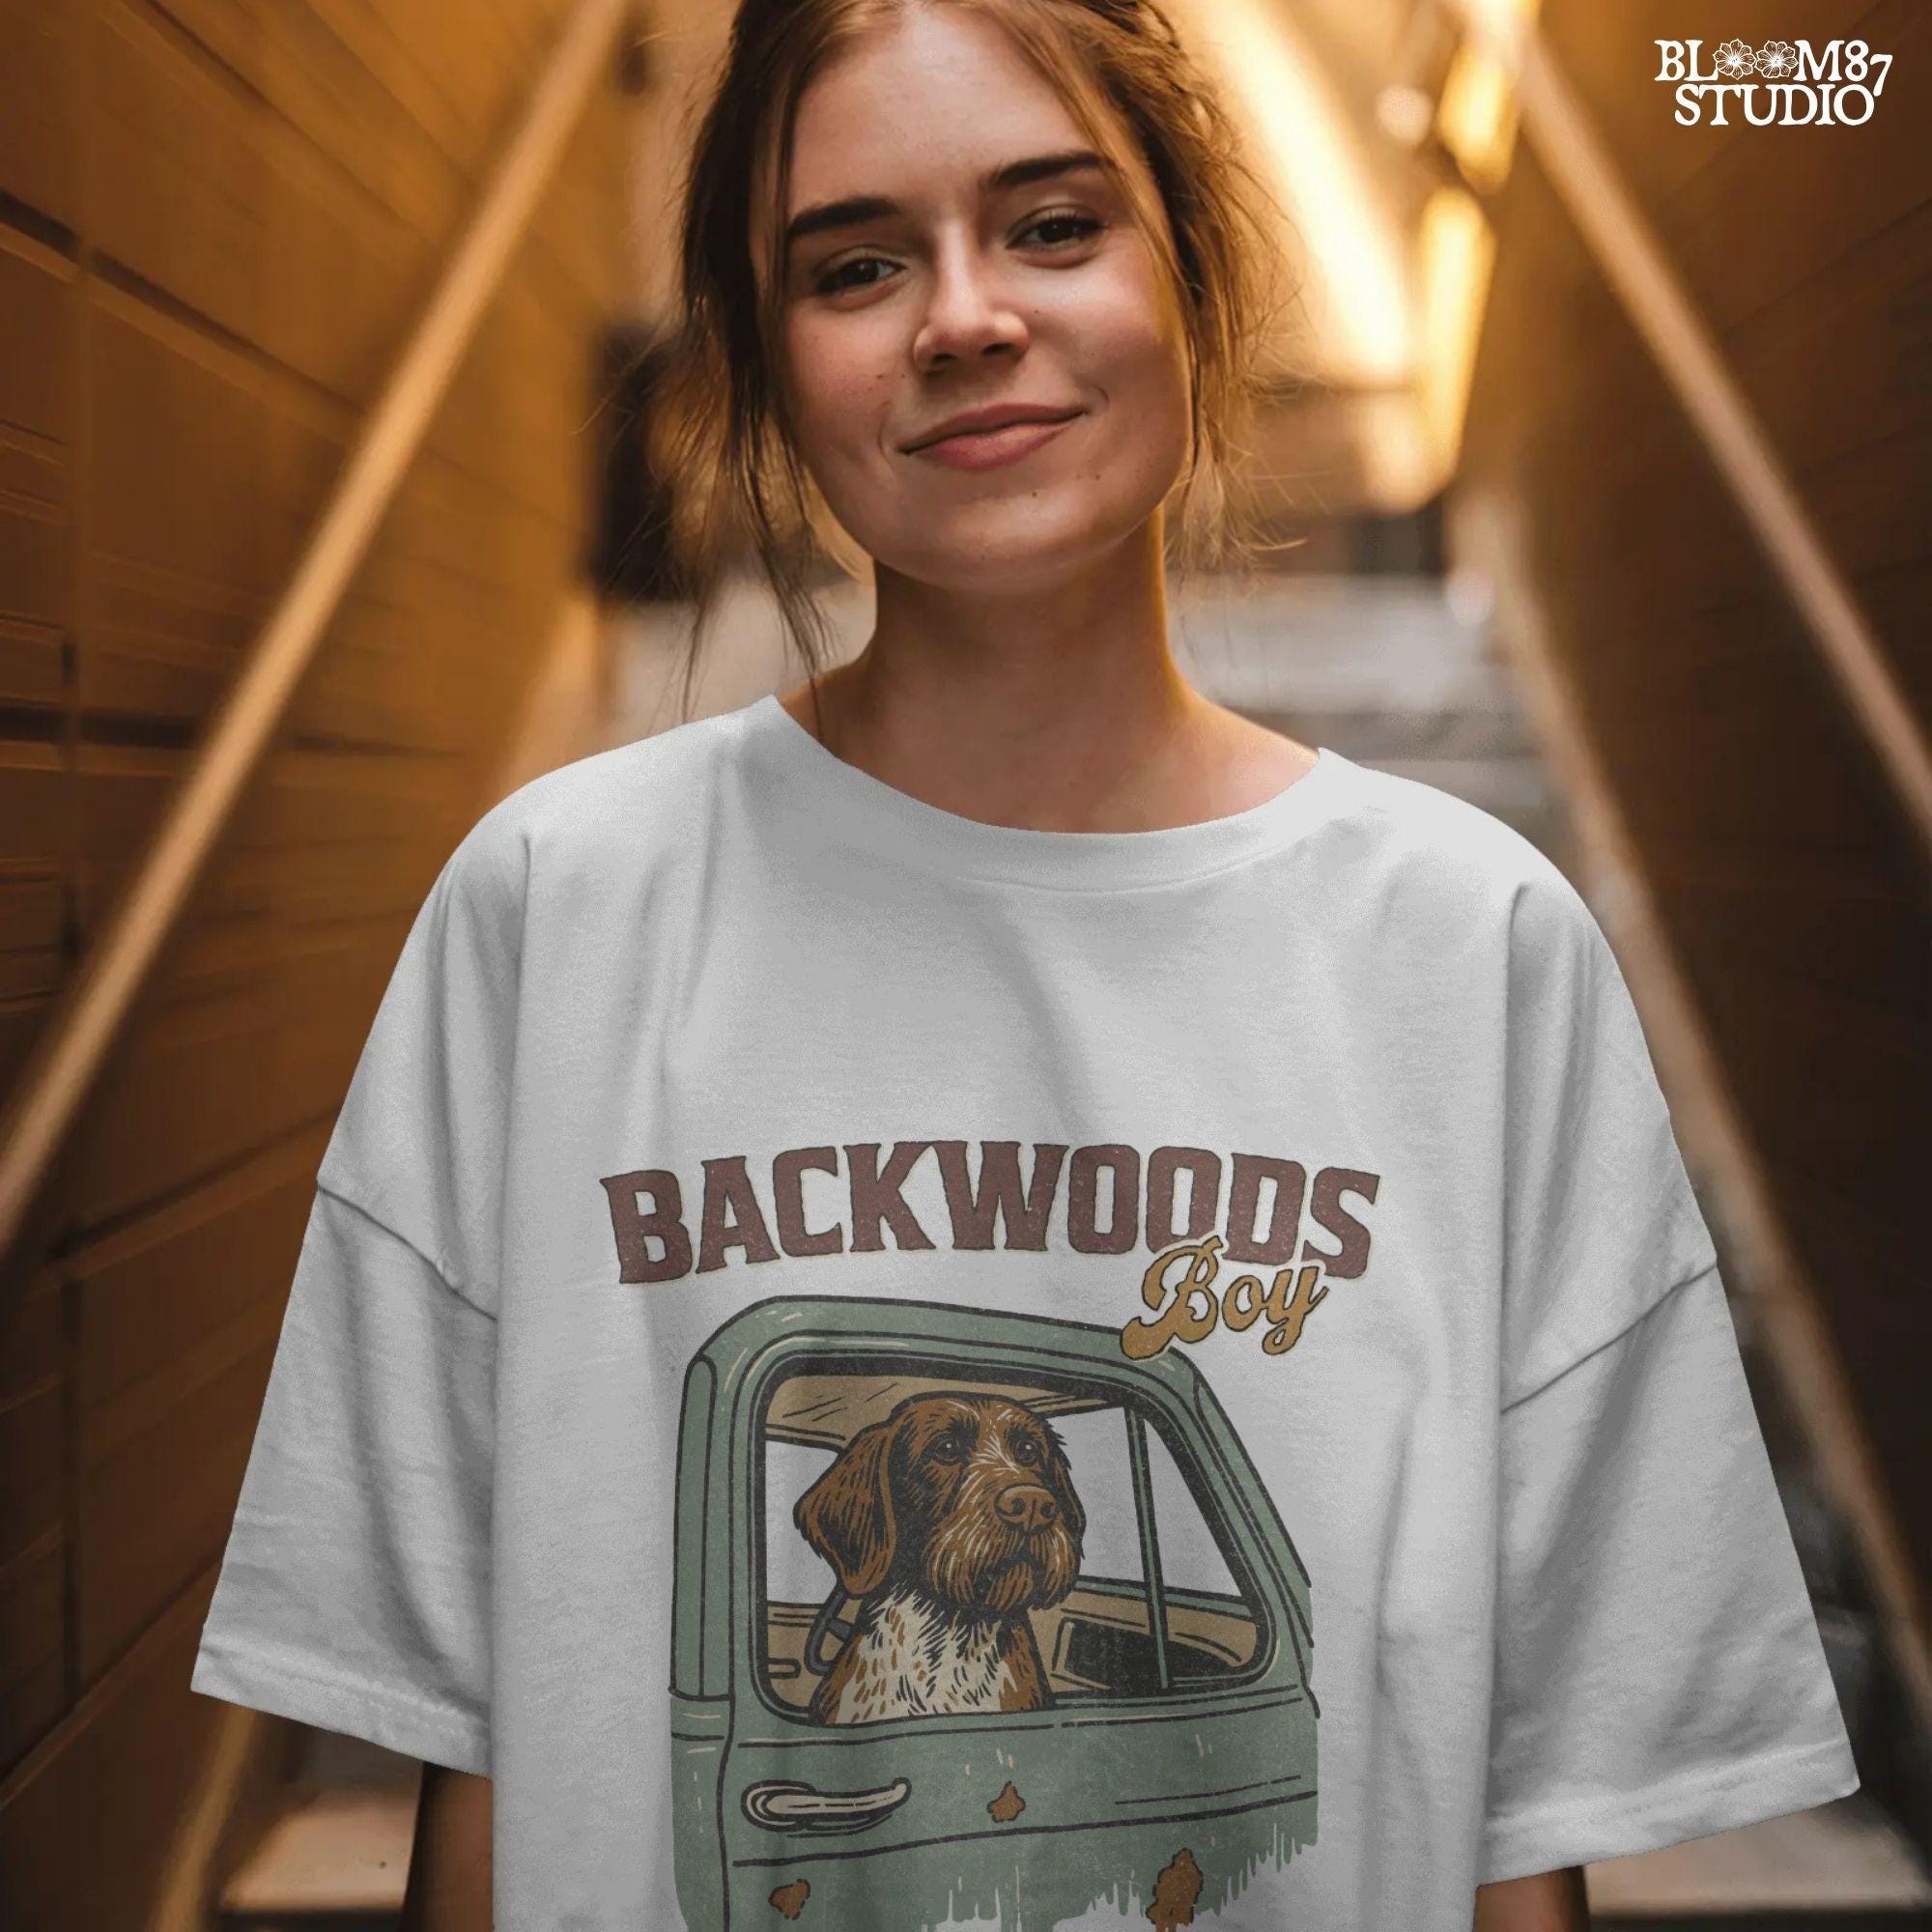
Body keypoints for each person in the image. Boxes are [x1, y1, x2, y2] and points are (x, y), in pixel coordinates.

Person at [190, 2, 1861, 1927]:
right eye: (856, 264)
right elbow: (474, 1762)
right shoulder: (548, 917)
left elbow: (1520, 1821)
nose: (964, 315)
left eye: (1054, 224)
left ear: (1197, 276)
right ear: (765, 365)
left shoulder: (1474, 955)